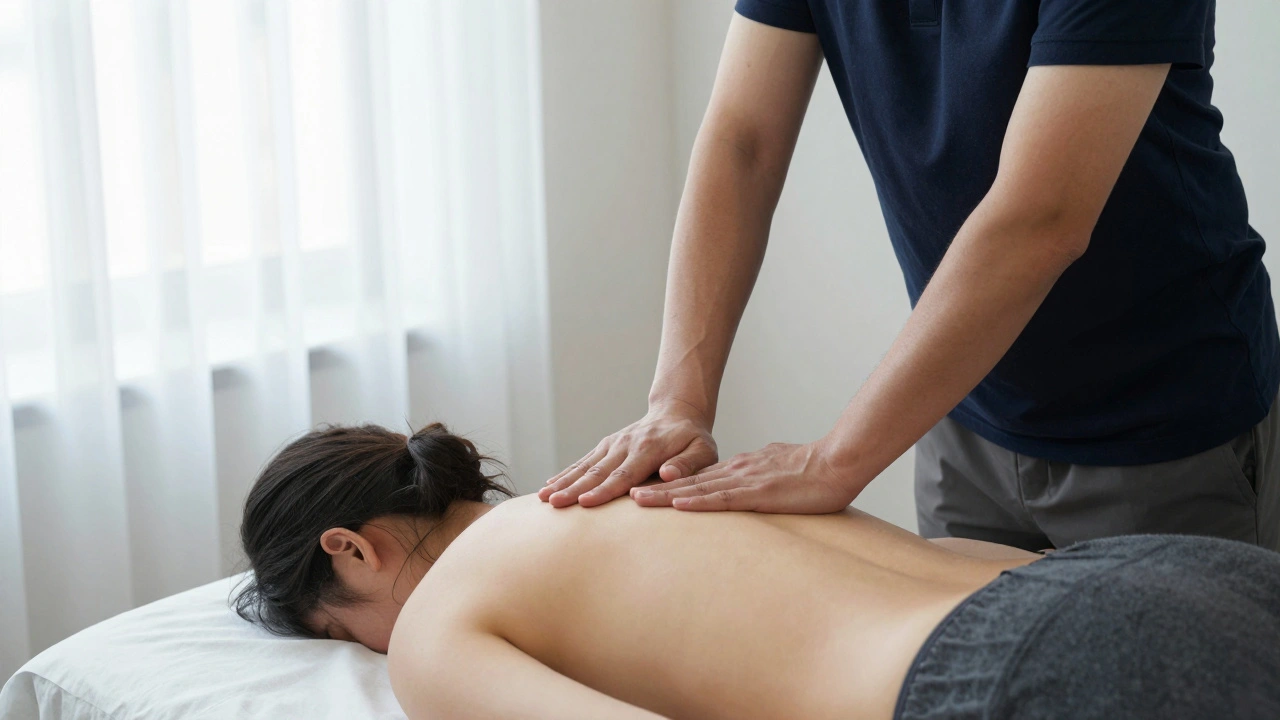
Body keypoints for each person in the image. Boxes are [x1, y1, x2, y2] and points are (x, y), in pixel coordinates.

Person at [538, 2, 1279, 553]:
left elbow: (1040, 219)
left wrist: (834, 462)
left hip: (1167, 430)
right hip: (961, 413)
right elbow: (743, 142)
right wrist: (677, 401)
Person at [236, 423, 1280, 719]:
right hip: (1163, 579)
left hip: (1026, 670)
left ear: (353, 549)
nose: (369, 653)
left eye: (341, 633)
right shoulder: (632, 482)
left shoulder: (435, 628)